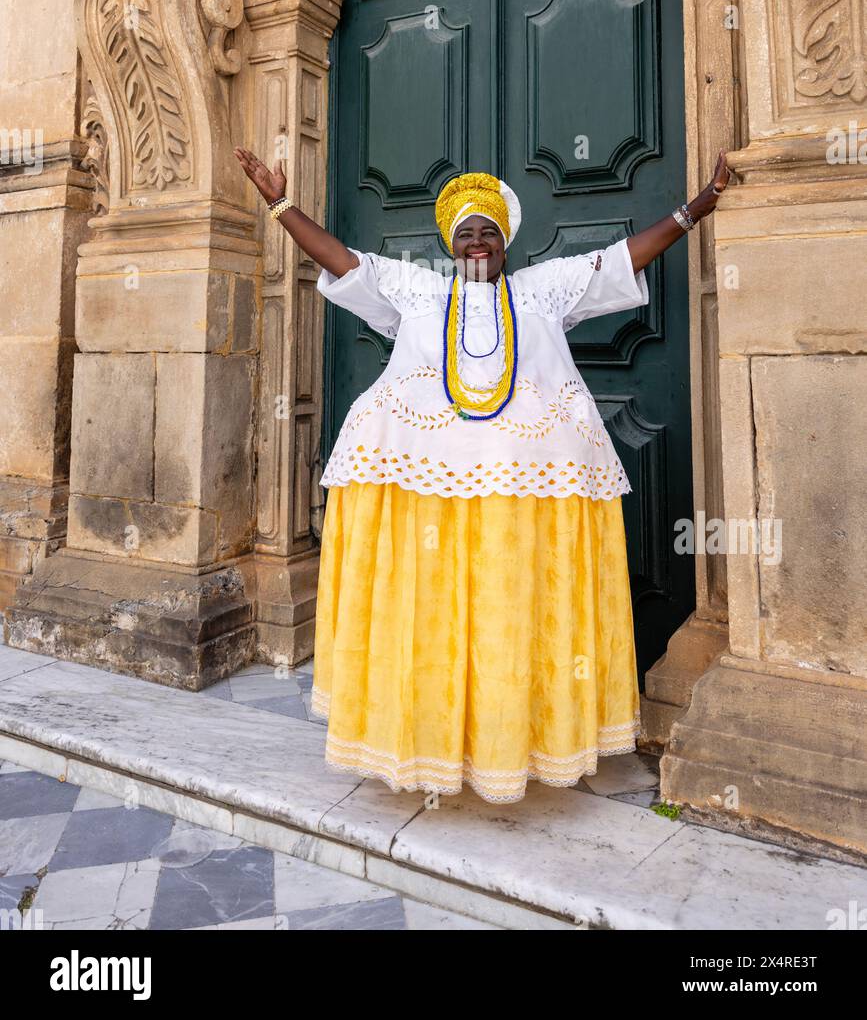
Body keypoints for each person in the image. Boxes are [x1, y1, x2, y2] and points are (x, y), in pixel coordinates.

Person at [234, 146, 731, 803]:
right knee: (431, 616)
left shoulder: (541, 291)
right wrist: (279, 205)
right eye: (465, 232)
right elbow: (341, 261)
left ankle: (510, 741)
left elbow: (621, 259)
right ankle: (430, 742)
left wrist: (695, 207)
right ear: (450, 243)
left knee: (511, 615)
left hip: (523, 493)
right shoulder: (416, 290)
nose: (476, 242)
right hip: (424, 496)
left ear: (504, 242)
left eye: (487, 231)